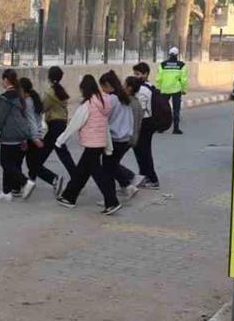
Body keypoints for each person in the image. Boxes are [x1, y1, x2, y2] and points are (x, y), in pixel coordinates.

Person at [56, 74, 121, 215]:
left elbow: (74, 124)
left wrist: (60, 140)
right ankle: (69, 197)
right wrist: (108, 146)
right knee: (81, 172)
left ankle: (112, 201)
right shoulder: (103, 102)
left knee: (97, 174)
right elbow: (105, 126)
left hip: (91, 143)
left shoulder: (88, 105)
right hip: (99, 143)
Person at [0, 69, 36, 201]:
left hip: (9, 135)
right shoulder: (20, 95)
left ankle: (25, 182)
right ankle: (6, 192)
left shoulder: (6, 98)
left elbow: (0, 119)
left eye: (2, 80)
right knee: (12, 163)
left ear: (5, 80)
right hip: (20, 135)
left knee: (5, 163)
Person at [20, 77, 65, 197]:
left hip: (33, 136)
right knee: (33, 164)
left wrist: (34, 138)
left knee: (33, 165)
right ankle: (30, 184)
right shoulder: (34, 99)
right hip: (37, 134)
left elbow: (31, 122)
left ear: (24, 90)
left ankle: (54, 179)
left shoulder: (28, 103)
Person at [99, 70, 138, 201]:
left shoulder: (111, 100)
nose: (102, 90)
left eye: (103, 87)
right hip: (125, 138)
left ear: (108, 85)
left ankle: (110, 199)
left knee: (107, 169)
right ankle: (127, 186)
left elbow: (105, 118)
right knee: (112, 166)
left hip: (114, 139)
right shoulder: (123, 98)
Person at [131, 62, 161, 189]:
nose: (136, 76)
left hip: (144, 123)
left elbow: (141, 109)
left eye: (138, 74)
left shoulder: (143, 89)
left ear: (146, 74)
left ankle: (153, 179)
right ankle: (144, 175)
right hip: (147, 122)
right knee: (141, 151)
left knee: (144, 152)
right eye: (135, 74)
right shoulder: (149, 86)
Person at [44, 66, 76, 175]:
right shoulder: (61, 91)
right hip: (62, 123)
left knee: (53, 151)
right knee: (60, 151)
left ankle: (36, 174)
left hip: (54, 124)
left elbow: (42, 107)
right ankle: (34, 173)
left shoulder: (49, 93)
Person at [155, 46, 189, 134]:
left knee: (162, 109)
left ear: (169, 54)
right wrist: (184, 89)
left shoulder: (162, 64)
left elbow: (158, 78)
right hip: (176, 90)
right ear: (177, 55)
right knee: (176, 110)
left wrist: (158, 88)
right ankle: (176, 128)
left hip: (164, 89)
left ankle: (161, 128)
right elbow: (184, 79)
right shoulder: (181, 65)